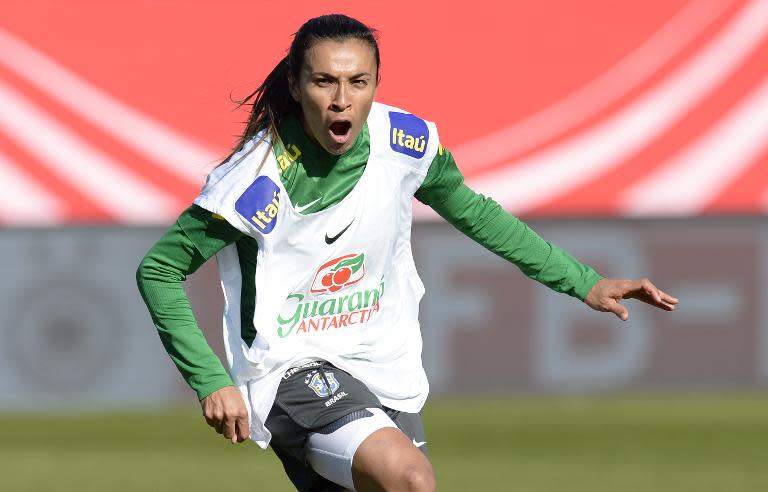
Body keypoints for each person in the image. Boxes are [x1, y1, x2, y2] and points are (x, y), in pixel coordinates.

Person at [136, 13, 679, 492]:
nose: (342, 99)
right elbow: (159, 270)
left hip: (383, 359)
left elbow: (476, 212)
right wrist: (211, 380)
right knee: (411, 480)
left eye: (358, 81)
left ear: (376, 85)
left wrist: (582, 281)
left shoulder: (403, 143)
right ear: (297, 87)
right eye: (324, 81)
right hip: (291, 366)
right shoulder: (259, 181)